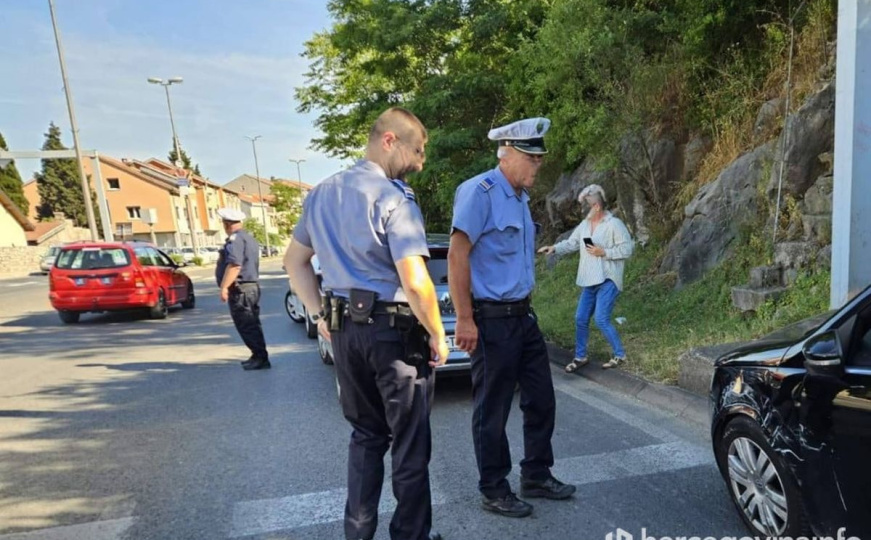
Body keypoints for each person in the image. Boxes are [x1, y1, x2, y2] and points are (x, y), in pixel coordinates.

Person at [284, 107, 448, 540]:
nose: (419, 162)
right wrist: (437, 333)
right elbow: (415, 281)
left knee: (365, 438)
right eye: (417, 151)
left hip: (344, 333)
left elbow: (294, 261)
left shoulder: (320, 193)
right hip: (391, 334)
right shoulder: (394, 196)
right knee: (409, 445)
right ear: (389, 140)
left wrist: (320, 313)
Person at [448, 117, 576, 519]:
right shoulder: (479, 192)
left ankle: (536, 473)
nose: (538, 167)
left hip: (523, 317)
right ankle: (493, 486)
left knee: (541, 399)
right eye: (533, 160)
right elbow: (457, 255)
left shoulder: (519, 197)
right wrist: (465, 319)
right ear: (509, 156)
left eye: (539, 160)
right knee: (493, 408)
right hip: (492, 321)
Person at [537, 184, 634, 372]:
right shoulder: (585, 226)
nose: (583, 211)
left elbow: (627, 249)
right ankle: (580, 356)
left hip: (608, 279)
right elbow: (572, 243)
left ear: (596, 206)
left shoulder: (614, 224)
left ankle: (620, 354)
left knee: (601, 319)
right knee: (580, 318)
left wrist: (604, 252)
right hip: (589, 280)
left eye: (587, 206)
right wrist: (554, 248)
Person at [215, 208, 270, 371]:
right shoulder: (247, 237)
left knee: (246, 323)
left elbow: (234, 265)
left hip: (242, 289)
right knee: (251, 322)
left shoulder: (235, 239)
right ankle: (257, 354)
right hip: (249, 287)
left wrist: (224, 287)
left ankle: (260, 357)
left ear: (226, 224)